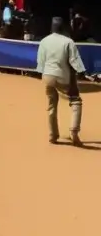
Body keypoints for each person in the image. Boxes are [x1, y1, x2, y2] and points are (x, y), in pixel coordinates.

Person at [36, 17, 85, 147]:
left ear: (51, 28)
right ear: (63, 28)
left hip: (47, 76)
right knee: (76, 101)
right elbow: (75, 61)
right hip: (62, 76)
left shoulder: (44, 41)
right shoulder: (68, 42)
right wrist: (81, 71)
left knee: (52, 104)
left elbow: (40, 63)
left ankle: (53, 135)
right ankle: (74, 131)